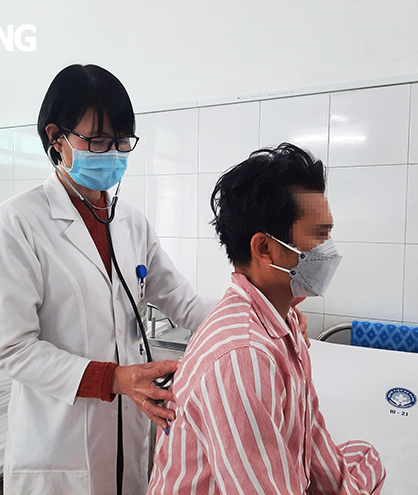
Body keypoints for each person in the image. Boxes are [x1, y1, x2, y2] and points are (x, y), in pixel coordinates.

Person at [0, 64, 216, 495]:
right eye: (97, 141)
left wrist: (251, 317)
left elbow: (182, 301)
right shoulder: (18, 221)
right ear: (57, 138)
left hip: (126, 439)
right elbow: (12, 349)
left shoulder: (131, 223)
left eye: (121, 141)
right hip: (57, 447)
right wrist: (114, 378)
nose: (112, 153)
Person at [147, 143, 386, 494]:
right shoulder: (242, 356)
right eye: (319, 235)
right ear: (264, 248)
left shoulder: (281, 318)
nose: (328, 249)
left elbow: (310, 431)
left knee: (366, 458)